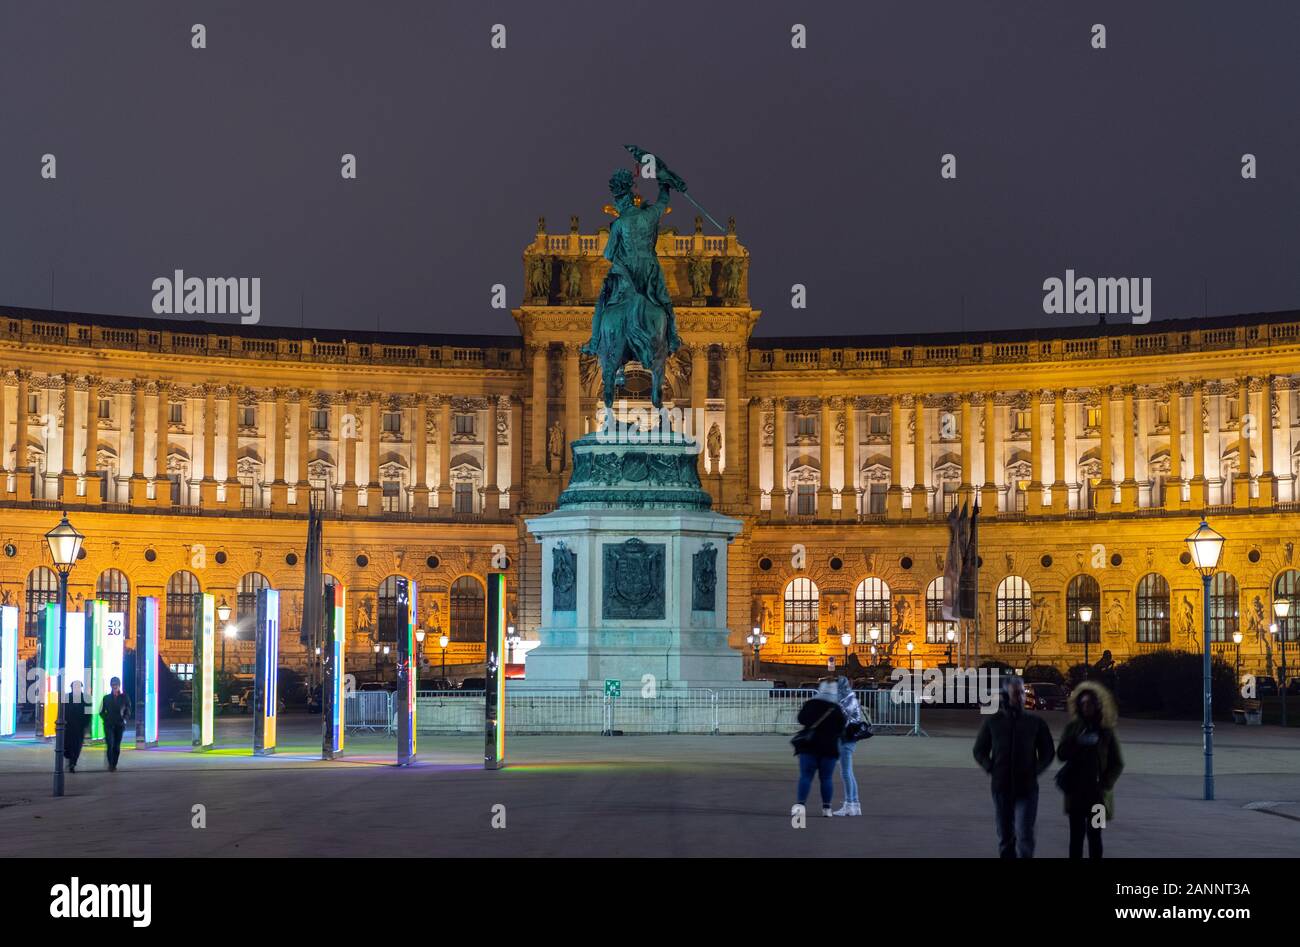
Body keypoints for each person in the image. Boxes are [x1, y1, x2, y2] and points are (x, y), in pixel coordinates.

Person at [972, 675, 1055, 857]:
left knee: (1025, 833)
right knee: (1005, 835)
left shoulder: (1035, 722)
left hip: (1027, 787)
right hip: (1001, 786)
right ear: (1006, 695)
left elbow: (1048, 751)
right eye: (1016, 694)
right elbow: (979, 750)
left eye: (1022, 693)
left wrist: (1035, 770)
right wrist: (991, 767)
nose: (1021, 698)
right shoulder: (993, 722)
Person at [1056, 680, 1125, 859]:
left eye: (1090, 703)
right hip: (1075, 793)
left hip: (1098, 795)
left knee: (1095, 837)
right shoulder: (1072, 727)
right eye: (1083, 703)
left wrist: (1105, 783)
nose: (1086, 707)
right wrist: (1075, 741)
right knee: (1076, 838)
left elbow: (1117, 762)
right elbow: (1061, 754)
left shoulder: (1106, 731)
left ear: (1097, 705)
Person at [791, 679, 846, 818]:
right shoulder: (836, 709)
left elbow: (801, 719)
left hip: (809, 746)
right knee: (826, 778)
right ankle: (826, 808)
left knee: (805, 777)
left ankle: (800, 806)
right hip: (829, 748)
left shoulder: (810, 704)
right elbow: (841, 728)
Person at [833, 676, 871, 816]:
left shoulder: (846, 699)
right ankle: (854, 805)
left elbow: (843, 718)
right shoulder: (850, 697)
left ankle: (849, 804)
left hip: (846, 738)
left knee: (846, 772)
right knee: (848, 772)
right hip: (849, 737)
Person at [99, 676, 132, 772]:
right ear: (111, 686)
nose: (115, 686)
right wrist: (106, 719)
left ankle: (114, 764)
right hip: (109, 725)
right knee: (110, 744)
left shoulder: (125, 697)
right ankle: (110, 764)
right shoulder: (106, 698)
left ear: (119, 686)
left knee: (116, 746)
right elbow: (101, 711)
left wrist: (124, 719)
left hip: (119, 725)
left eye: (116, 685)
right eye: (113, 685)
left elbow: (129, 710)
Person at [64, 681, 90, 772]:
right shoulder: (66, 697)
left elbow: (88, 713)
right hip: (68, 726)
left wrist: (86, 725)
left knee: (77, 746)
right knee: (67, 745)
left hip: (80, 726)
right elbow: (62, 712)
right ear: (72, 688)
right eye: (75, 687)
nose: (76, 689)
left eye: (78, 687)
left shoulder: (86, 698)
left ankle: (73, 762)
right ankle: (70, 759)